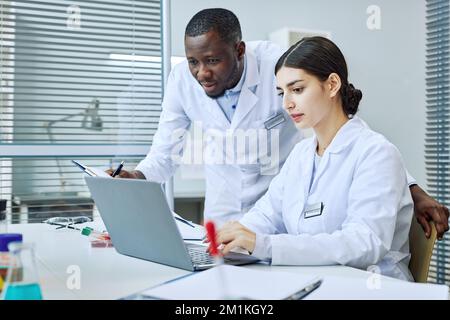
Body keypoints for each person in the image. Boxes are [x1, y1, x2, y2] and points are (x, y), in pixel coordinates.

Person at [107, 8, 449, 238]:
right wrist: (134, 177)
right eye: (194, 62)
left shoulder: (277, 66)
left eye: (212, 60)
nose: (202, 73)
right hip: (224, 209)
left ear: (239, 51)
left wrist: (411, 190)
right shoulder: (182, 79)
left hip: (281, 212)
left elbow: (345, 128)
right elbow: (165, 152)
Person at [215, 37, 417, 280]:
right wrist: (235, 236)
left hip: (372, 286)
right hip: (315, 281)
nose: (287, 104)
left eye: (297, 89)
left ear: (332, 85)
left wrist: (265, 245)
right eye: (282, 92)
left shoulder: (376, 153)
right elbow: (267, 214)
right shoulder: (301, 154)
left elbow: (364, 243)